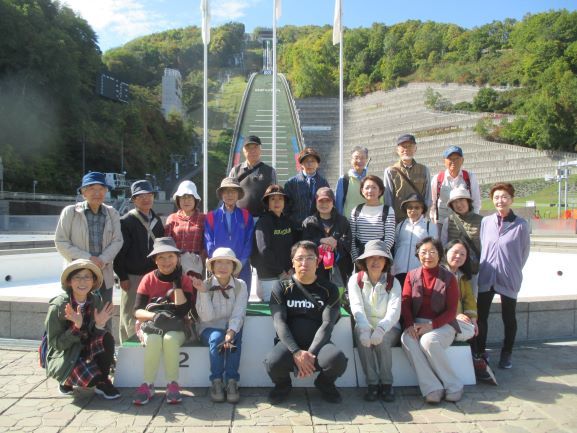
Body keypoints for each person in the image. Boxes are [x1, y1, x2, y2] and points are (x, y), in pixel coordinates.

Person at [265, 241, 347, 405]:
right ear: (293, 262)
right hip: (289, 345)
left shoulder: (329, 289)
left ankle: (324, 384)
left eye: (310, 258)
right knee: (273, 362)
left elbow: (327, 324)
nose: (304, 263)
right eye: (300, 258)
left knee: (337, 360)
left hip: (319, 345)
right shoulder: (280, 287)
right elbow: (279, 322)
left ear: (318, 262)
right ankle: (283, 386)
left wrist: (308, 355)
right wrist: (296, 352)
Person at [44, 259, 120, 399]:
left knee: (106, 337)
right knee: (91, 380)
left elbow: (94, 337)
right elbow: (56, 344)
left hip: (84, 349)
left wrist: (99, 325)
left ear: (93, 281)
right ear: (69, 281)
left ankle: (102, 381)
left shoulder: (95, 300)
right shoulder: (58, 306)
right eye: (77, 277)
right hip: (65, 354)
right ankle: (65, 380)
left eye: (87, 277)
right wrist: (76, 328)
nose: (82, 282)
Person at [132, 237, 195, 406]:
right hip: (151, 325)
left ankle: (172, 384)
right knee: (153, 339)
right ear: (155, 260)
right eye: (161, 257)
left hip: (177, 326)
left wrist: (177, 283)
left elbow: (182, 311)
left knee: (170, 339)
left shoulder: (185, 280)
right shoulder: (148, 279)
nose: (166, 261)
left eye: (170, 256)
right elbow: (137, 311)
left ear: (178, 258)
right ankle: (148, 384)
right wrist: (153, 316)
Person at [400, 237, 462, 404]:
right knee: (407, 339)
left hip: (443, 324)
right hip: (417, 323)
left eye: (432, 252)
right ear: (418, 255)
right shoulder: (411, 275)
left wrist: (431, 325)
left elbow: (451, 311)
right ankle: (432, 387)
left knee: (428, 341)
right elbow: (405, 302)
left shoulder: (449, 278)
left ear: (440, 254)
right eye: (423, 252)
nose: (428, 256)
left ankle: (454, 385)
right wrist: (409, 324)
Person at [477, 183, 530, 370]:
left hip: (509, 276)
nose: (501, 200)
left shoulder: (521, 225)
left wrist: (512, 269)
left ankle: (507, 353)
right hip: (487, 274)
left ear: (512, 199)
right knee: (481, 316)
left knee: (509, 317)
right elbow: (482, 246)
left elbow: (524, 253)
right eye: (497, 197)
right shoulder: (486, 222)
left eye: (505, 197)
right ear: (492, 200)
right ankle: (480, 351)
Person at [55, 172, 123, 311]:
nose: (97, 193)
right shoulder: (71, 212)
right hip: (77, 274)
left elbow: (117, 241)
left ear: (106, 191)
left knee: (104, 315)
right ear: (83, 192)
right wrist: (89, 259)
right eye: (92, 189)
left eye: (101, 189)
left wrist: (102, 259)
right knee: (76, 315)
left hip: (103, 275)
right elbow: (61, 242)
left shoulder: (112, 213)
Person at [192, 248, 248, 404]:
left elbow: (239, 313)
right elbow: (206, 318)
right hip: (208, 327)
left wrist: (231, 331)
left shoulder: (240, 285)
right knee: (217, 338)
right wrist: (203, 292)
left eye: (228, 263)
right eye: (219, 263)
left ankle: (231, 381)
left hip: (230, 326)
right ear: (212, 266)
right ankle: (216, 381)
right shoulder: (205, 284)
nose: (223, 267)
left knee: (234, 337)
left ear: (233, 267)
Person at [348, 240, 401, 402]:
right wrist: (364, 328)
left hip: (389, 327)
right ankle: (372, 383)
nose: (375, 261)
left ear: (386, 262)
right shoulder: (355, 280)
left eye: (380, 258)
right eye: (371, 257)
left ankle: (386, 383)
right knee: (360, 334)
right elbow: (356, 306)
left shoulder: (393, 282)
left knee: (382, 340)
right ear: (365, 260)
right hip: (365, 323)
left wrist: (381, 329)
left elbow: (394, 311)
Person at [114, 180, 165, 344]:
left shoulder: (156, 220)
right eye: (140, 196)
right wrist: (122, 276)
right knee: (130, 314)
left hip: (152, 276)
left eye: (149, 195)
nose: (146, 199)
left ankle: (146, 344)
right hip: (132, 276)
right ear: (134, 200)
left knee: (150, 310)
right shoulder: (126, 221)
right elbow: (119, 252)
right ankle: (128, 348)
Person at [444, 240, 498, 385]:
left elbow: (469, 299)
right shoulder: (440, 273)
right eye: (455, 252)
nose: (458, 256)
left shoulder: (462, 276)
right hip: (443, 318)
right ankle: (477, 363)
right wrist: (455, 315)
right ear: (446, 252)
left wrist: (473, 318)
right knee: (467, 331)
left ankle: (477, 362)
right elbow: (439, 300)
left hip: (460, 319)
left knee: (475, 328)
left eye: (463, 254)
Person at [205, 177, 255, 293]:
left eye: (233, 191)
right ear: (221, 194)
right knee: (217, 299)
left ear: (238, 195)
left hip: (241, 268)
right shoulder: (211, 216)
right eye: (226, 191)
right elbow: (208, 242)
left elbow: (249, 242)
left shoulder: (246, 216)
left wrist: (239, 266)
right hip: (219, 268)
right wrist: (217, 265)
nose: (230, 195)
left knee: (241, 298)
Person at [251, 185, 299, 302]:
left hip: (288, 274)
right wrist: (280, 272)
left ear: (284, 202)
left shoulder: (288, 222)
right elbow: (264, 250)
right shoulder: (263, 223)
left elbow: (296, 247)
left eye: (280, 198)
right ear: (267, 203)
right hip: (269, 276)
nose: (277, 202)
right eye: (272, 199)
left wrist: (292, 268)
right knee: (273, 308)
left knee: (288, 306)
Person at [302, 187, 352, 286]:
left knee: (337, 293)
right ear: (316, 202)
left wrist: (336, 243)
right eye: (321, 201)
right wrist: (321, 241)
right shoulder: (308, 222)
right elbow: (303, 243)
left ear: (333, 202)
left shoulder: (342, 221)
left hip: (339, 268)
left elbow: (348, 242)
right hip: (316, 268)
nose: (324, 204)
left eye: (327, 201)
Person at [440, 187, 483, 296]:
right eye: (455, 202)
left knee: (471, 298)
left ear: (468, 201)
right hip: (454, 268)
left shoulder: (482, 221)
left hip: (474, 268)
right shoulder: (448, 221)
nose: (458, 204)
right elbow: (444, 245)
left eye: (461, 200)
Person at [430, 146, 481, 231]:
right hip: (442, 223)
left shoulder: (470, 177)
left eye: (457, 158)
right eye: (450, 159)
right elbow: (432, 202)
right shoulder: (437, 179)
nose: (453, 161)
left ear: (462, 160)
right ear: (444, 161)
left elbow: (476, 201)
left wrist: (474, 220)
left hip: (466, 223)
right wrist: (434, 220)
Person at [384, 134, 432, 224]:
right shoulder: (390, 171)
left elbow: (428, 196)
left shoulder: (424, 169)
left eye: (409, 146)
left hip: (419, 219)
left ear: (415, 149)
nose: (406, 149)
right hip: (398, 220)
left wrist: (425, 216)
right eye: (403, 146)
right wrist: (391, 221)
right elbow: (388, 199)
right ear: (397, 150)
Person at [393, 194, 437, 287]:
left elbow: (435, 248)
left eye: (417, 207)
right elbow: (396, 246)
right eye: (410, 207)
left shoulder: (429, 226)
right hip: (399, 270)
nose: (413, 210)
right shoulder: (400, 225)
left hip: (419, 271)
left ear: (422, 209)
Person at [229, 135, 277, 218]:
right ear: (243, 151)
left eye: (255, 147)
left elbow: (274, 195)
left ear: (260, 150)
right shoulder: (235, 170)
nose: (252, 151)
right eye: (248, 148)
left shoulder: (270, 171)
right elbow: (228, 193)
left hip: (262, 218)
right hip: (239, 218)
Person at [165, 180, 205, 279]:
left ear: (195, 200)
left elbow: (207, 243)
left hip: (196, 265)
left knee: (195, 288)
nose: (186, 201)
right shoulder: (172, 218)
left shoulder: (204, 218)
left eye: (190, 197)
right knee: (176, 288)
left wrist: (202, 259)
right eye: (183, 198)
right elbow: (167, 243)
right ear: (178, 200)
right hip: (175, 264)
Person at [350, 175, 395, 261]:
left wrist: (379, 257)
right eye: (367, 188)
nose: (370, 190)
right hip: (361, 255)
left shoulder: (388, 210)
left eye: (374, 187)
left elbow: (390, 238)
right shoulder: (356, 210)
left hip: (381, 255)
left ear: (380, 191)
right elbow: (351, 237)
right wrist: (356, 258)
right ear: (362, 191)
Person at [284, 147, 330, 227]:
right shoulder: (291, 183)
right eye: (306, 161)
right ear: (301, 164)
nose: (310, 164)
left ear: (317, 164)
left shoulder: (323, 183)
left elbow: (328, 205)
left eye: (313, 161)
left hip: (317, 227)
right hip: (296, 228)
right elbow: (286, 207)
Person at [334, 146, 371, 219]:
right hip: (349, 222)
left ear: (366, 159)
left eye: (362, 158)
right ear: (351, 160)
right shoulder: (344, 179)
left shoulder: (371, 179)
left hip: (368, 221)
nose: (359, 161)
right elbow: (338, 204)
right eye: (356, 158)